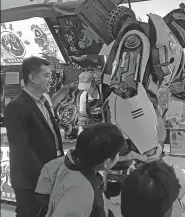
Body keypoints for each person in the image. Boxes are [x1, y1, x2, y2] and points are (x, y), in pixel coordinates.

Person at [4, 56, 64, 217]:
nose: (51, 79)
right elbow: (23, 149)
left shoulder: (44, 102)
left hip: (50, 175)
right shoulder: (16, 107)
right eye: (47, 75)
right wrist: (44, 177)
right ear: (32, 77)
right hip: (31, 181)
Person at [35, 123, 125, 217]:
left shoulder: (57, 164)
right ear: (107, 162)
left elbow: (41, 195)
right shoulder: (82, 192)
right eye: (118, 153)